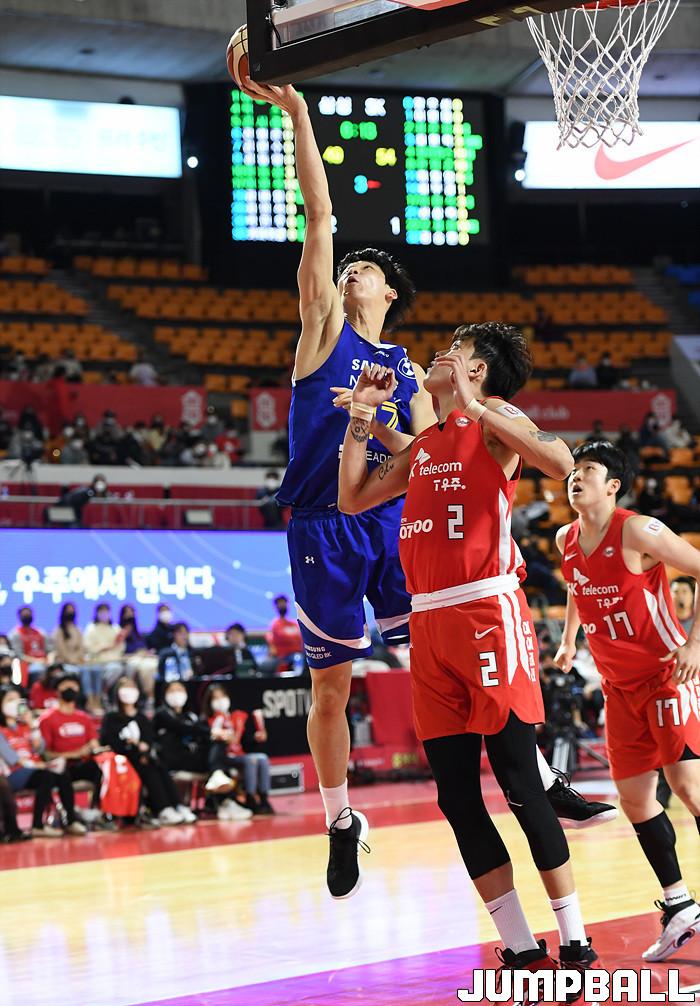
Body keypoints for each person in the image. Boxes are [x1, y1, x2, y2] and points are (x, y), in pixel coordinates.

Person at [337, 327, 602, 980]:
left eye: (454, 348)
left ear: (476, 369)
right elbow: (353, 496)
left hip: (486, 612)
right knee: (456, 797)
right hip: (429, 623)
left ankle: (575, 939)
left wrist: (477, 404)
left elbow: (560, 462)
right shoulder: (427, 443)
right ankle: (520, 945)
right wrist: (363, 420)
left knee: (519, 783)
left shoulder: (493, 419)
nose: (438, 354)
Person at [237, 75, 439, 895]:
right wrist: (296, 110)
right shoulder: (322, 333)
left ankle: (529, 767)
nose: (350, 270)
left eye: (364, 268)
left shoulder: (407, 371)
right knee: (331, 688)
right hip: (322, 521)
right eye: (346, 266)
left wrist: (377, 425)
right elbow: (319, 214)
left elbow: (430, 457)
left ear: (389, 292)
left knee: (441, 658)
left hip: (391, 522)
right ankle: (339, 819)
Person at [554, 440, 700, 961]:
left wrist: (694, 644)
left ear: (613, 485)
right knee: (636, 801)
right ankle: (680, 906)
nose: (575, 477)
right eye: (573, 470)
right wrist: (569, 639)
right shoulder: (565, 537)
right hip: (618, 688)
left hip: (665, 676)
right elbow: (576, 585)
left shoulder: (637, 530)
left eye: (587, 470)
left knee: (688, 787)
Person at [99, 677, 195, 826]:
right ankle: (162, 808)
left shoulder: (142, 718)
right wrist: (135, 746)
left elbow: (148, 741)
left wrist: (143, 750)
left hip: (142, 757)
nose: (129, 691)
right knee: (149, 769)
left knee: (158, 766)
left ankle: (177, 805)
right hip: (121, 761)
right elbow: (109, 743)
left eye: (132, 687)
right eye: (125, 687)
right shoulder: (111, 718)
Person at [0, 687, 87, 838]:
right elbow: (12, 759)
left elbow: (40, 749)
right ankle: (37, 825)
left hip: (35, 770)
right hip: (13, 774)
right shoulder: (1, 730)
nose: (15, 703)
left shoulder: (25, 726)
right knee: (47, 775)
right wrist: (39, 766)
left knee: (62, 774)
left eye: (17, 699)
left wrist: (33, 725)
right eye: (10, 699)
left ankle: (71, 821)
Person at [39, 673, 110, 827]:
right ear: (57, 690)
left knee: (106, 765)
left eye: (73, 685)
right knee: (61, 771)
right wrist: (74, 753)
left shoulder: (84, 717)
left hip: (82, 765)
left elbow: (94, 743)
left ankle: (99, 811)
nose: (70, 688)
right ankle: (71, 817)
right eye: (65, 685)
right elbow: (45, 754)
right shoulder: (47, 719)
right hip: (61, 767)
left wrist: (97, 750)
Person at [202, 684, 273, 816]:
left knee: (262, 758)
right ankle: (250, 797)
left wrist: (256, 738)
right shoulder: (208, 721)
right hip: (223, 758)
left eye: (222, 696)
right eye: (215, 698)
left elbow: (245, 744)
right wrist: (221, 737)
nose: (220, 701)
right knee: (251, 760)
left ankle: (264, 798)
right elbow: (207, 744)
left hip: (239, 755)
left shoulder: (236, 717)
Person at [51, 602, 98, 707]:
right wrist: (72, 660)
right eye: (68, 610)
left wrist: (77, 658)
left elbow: (81, 648)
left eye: (72, 610)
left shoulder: (77, 630)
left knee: (88, 671)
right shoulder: (59, 631)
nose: (70, 612)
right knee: (74, 671)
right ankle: (80, 701)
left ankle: (93, 699)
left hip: (78, 661)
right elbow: (61, 650)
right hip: (65, 662)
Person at [83, 603, 126, 697]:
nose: (104, 614)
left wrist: (118, 643)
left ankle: (107, 692)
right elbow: (88, 647)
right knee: (107, 669)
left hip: (114, 660)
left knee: (122, 668)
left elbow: (121, 647)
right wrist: (104, 647)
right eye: (101, 612)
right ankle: (98, 694)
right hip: (97, 660)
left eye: (106, 612)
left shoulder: (115, 628)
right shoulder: (91, 628)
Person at [119, 604, 158, 704]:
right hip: (128, 657)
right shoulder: (119, 631)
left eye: (132, 612)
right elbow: (120, 649)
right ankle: (148, 695)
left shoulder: (138, 633)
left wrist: (147, 652)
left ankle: (151, 696)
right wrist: (123, 634)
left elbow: (143, 646)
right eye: (127, 612)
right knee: (139, 666)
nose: (130, 615)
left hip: (143, 657)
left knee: (152, 665)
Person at [266, 595, 304, 674]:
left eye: (284, 603)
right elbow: (285, 639)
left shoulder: (294, 623)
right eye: (280, 603)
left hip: (299, 655)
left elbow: (300, 639)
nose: (282, 605)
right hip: (284, 658)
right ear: (276, 607)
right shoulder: (275, 624)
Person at [10, 606, 48, 683]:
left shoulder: (41, 633)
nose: (27, 616)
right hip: (27, 664)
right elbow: (19, 655)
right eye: (24, 614)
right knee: (38, 669)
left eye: (28, 614)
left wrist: (48, 659)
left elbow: (49, 650)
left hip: (44, 661)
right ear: (20, 616)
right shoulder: (15, 634)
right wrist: (37, 661)